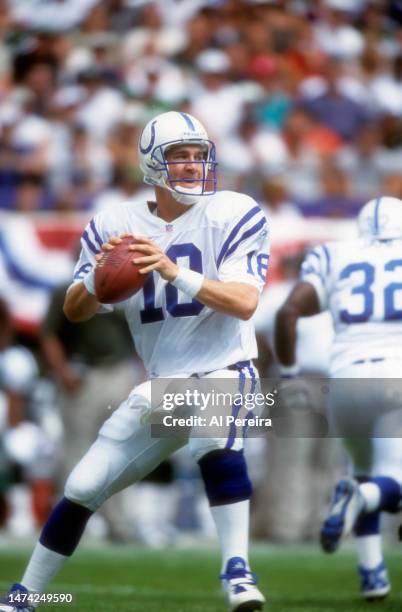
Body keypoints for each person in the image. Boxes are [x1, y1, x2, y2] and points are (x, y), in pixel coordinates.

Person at [0, 111, 269, 612]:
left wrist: (172, 271)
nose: (192, 166)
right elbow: (75, 311)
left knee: (212, 434)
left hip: (225, 367)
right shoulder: (114, 225)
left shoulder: (234, 211)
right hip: (163, 383)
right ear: (151, 163)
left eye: (198, 155)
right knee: (83, 485)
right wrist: (97, 278)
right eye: (178, 156)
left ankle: (238, 571)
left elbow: (244, 302)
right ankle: (25, 596)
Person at [274, 196, 402, 601]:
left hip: (343, 381)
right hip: (395, 376)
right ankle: (357, 497)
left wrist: (291, 375)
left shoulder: (334, 254)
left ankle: (372, 574)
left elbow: (286, 314)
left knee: (363, 468)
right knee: (391, 481)